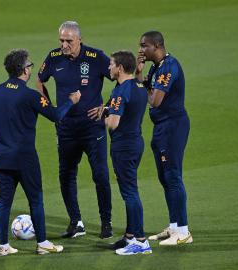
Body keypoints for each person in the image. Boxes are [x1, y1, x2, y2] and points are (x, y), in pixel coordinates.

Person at [0, 49, 81, 255]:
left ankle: (3, 246)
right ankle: (43, 243)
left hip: (3, 158)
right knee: (35, 200)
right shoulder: (30, 96)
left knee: (4, 203)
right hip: (25, 159)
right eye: (29, 65)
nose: (30, 68)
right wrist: (71, 101)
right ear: (23, 70)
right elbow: (55, 115)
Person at [36, 21, 113, 239]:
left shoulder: (96, 58)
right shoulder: (53, 57)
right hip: (66, 128)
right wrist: (51, 109)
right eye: (61, 40)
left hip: (92, 128)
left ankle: (106, 223)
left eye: (69, 41)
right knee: (66, 175)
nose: (64, 45)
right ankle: (75, 222)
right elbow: (40, 80)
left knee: (100, 175)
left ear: (80, 39)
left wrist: (107, 107)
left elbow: (121, 78)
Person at [89, 51, 151, 255]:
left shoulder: (120, 91)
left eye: (111, 65)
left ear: (120, 68)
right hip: (135, 142)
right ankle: (130, 236)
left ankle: (141, 241)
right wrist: (107, 109)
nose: (109, 68)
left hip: (123, 146)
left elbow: (113, 124)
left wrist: (102, 117)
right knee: (130, 190)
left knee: (130, 193)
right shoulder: (139, 86)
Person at [136, 31, 193, 245]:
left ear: (157, 46)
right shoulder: (156, 67)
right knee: (165, 178)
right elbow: (147, 90)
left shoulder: (169, 67)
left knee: (173, 176)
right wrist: (140, 74)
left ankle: (184, 232)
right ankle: (175, 226)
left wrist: (147, 89)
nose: (141, 50)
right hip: (162, 127)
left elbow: (155, 100)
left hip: (173, 126)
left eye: (144, 46)